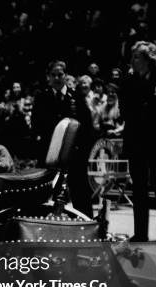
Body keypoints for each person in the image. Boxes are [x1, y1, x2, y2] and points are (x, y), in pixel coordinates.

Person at [120, 41, 156, 242]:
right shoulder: (126, 83)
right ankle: (141, 232)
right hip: (137, 143)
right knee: (140, 188)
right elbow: (125, 111)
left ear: (147, 60)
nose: (132, 60)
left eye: (136, 56)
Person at [32, 60, 94, 217]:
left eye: (60, 74)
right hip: (50, 153)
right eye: (53, 75)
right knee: (46, 192)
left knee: (80, 191)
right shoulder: (41, 97)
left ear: (66, 76)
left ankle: (86, 225)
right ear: (48, 77)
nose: (57, 78)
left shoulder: (76, 97)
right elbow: (36, 126)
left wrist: (83, 152)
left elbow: (87, 127)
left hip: (74, 154)